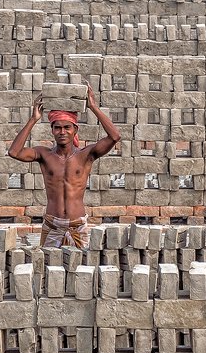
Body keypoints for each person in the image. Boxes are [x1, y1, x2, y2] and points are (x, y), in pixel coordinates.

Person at [8, 84, 121, 248]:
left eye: (67, 127)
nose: (62, 132)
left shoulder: (85, 155)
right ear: (52, 131)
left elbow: (115, 137)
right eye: (57, 128)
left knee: (81, 268)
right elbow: (14, 152)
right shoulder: (44, 155)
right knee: (47, 267)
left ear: (75, 130)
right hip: (52, 224)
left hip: (77, 224)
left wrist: (93, 107)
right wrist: (33, 119)